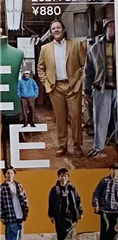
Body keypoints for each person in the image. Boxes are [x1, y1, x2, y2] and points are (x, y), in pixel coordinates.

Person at [38, 19, 86, 157]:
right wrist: (47, 84)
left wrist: (80, 81)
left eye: (58, 27)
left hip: (73, 87)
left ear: (63, 30)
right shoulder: (45, 48)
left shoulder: (75, 45)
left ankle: (77, 145)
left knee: (75, 117)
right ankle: (62, 145)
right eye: (53, 28)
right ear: (51, 32)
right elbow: (40, 68)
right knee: (60, 119)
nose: (56, 30)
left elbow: (84, 65)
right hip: (55, 88)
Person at [84, 19, 117, 155]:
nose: (113, 28)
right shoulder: (95, 48)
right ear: (105, 28)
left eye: (115, 25)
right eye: (110, 26)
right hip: (101, 89)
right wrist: (86, 89)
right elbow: (88, 70)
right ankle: (98, 147)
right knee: (100, 120)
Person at [47, 166, 82, 240]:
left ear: (68, 177)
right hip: (59, 216)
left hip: (70, 216)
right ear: (59, 177)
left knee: (69, 235)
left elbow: (78, 200)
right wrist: (51, 215)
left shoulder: (72, 188)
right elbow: (51, 203)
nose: (63, 178)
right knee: (61, 235)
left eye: (65, 176)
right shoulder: (55, 189)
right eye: (62, 176)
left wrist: (80, 212)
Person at [1, 168, 29, 240]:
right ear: (5, 175)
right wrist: (2, 215)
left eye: (11, 173)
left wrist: (25, 210)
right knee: (11, 234)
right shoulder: (2, 188)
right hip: (9, 213)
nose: (10, 175)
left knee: (19, 233)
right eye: (8, 173)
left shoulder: (18, 185)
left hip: (19, 211)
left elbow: (24, 198)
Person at [92, 163, 118, 240]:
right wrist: (95, 205)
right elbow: (96, 193)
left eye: (117, 169)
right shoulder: (104, 181)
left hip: (115, 209)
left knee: (113, 229)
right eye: (113, 169)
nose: (115, 171)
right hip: (104, 208)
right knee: (105, 227)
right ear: (110, 170)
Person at [17, 59, 39, 125]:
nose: (26, 75)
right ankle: (25, 122)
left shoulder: (32, 81)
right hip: (23, 98)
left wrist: (35, 95)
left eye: (27, 74)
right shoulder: (20, 82)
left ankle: (32, 122)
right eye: (25, 74)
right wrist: (19, 96)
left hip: (31, 97)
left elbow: (36, 88)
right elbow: (18, 89)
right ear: (23, 74)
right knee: (24, 110)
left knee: (32, 110)